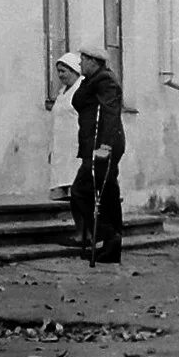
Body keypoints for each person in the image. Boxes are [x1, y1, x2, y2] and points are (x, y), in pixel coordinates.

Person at [70, 45, 125, 264]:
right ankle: (112, 245)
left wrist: (105, 147)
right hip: (94, 145)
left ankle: (109, 235)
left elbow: (110, 114)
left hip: (102, 146)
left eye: (83, 59)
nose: (80, 63)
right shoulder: (92, 79)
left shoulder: (105, 80)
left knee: (82, 191)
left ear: (94, 61)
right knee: (107, 191)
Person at [47, 52, 83, 201]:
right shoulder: (62, 92)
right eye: (58, 72)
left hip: (76, 143)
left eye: (63, 71)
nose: (60, 75)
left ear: (74, 70)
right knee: (59, 185)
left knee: (75, 181)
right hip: (61, 146)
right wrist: (51, 148)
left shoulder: (82, 89)